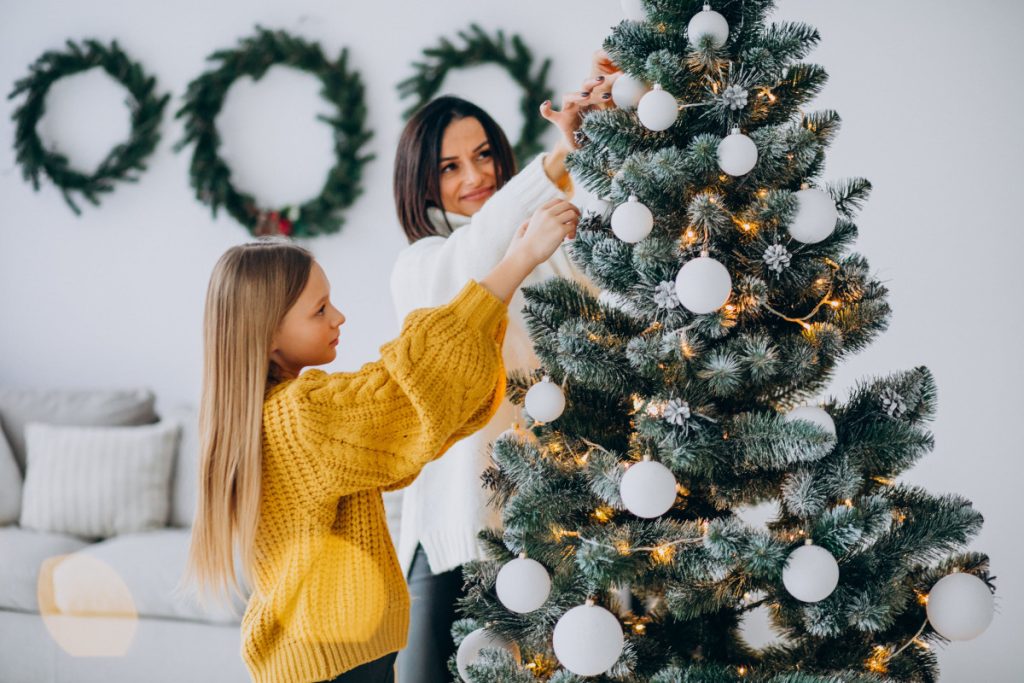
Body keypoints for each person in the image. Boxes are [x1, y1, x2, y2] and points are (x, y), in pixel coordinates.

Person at [183, 199, 579, 683]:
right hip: (335, 665)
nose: (339, 317)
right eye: (319, 309)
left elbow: (407, 421)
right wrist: (518, 261)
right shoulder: (301, 416)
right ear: (268, 335)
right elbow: (407, 387)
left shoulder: (263, 415)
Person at [389, 55, 618, 682]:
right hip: (455, 536)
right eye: (450, 166)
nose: (476, 175)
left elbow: (605, 264)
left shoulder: (542, 246)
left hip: (549, 525)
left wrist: (603, 135)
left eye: (484, 155)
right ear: (420, 182)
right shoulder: (422, 265)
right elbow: (478, 259)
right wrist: (557, 160)